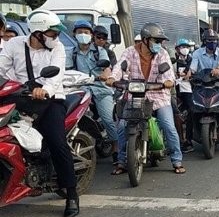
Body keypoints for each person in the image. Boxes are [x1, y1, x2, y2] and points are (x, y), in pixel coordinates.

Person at [0, 10, 79, 217]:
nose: (56, 38)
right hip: (20, 98)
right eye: (52, 34)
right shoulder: (14, 44)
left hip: (50, 101)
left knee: (57, 142)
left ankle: (71, 194)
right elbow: (1, 69)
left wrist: (45, 90)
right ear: (37, 33)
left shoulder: (58, 48)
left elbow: (56, 74)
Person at [107, 23, 186, 175]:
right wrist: (112, 78)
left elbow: (168, 73)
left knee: (168, 126)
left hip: (158, 96)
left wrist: (168, 81)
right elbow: (120, 67)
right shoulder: (129, 52)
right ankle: (122, 162)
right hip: (135, 95)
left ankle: (177, 160)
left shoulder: (162, 54)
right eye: (156, 40)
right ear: (144, 40)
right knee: (122, 126)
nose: (159, 44)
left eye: (160, 41)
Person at [67, 20, 119, 164]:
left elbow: (107, 68)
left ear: (91, 35)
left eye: (86, 32)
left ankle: (116, 150)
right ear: (74, 34)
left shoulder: (100, 51)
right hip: (80, 90)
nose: (83, 35)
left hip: (101, 89)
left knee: (108, 119)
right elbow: (67, 71)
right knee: (72, 119)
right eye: (79, 32)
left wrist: (106, 75)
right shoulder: (70, 53)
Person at [174, 38, 194, 153]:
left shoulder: (192, 60)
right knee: (175, 114)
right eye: (182, 47)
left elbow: (194, 71)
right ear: (177, 49)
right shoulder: (173, 61)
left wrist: (189, 74)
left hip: (189, 90)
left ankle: (189, 140)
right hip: (175, 90)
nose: (184, 49)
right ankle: (179, 140)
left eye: (186, 47)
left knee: (192, 111)